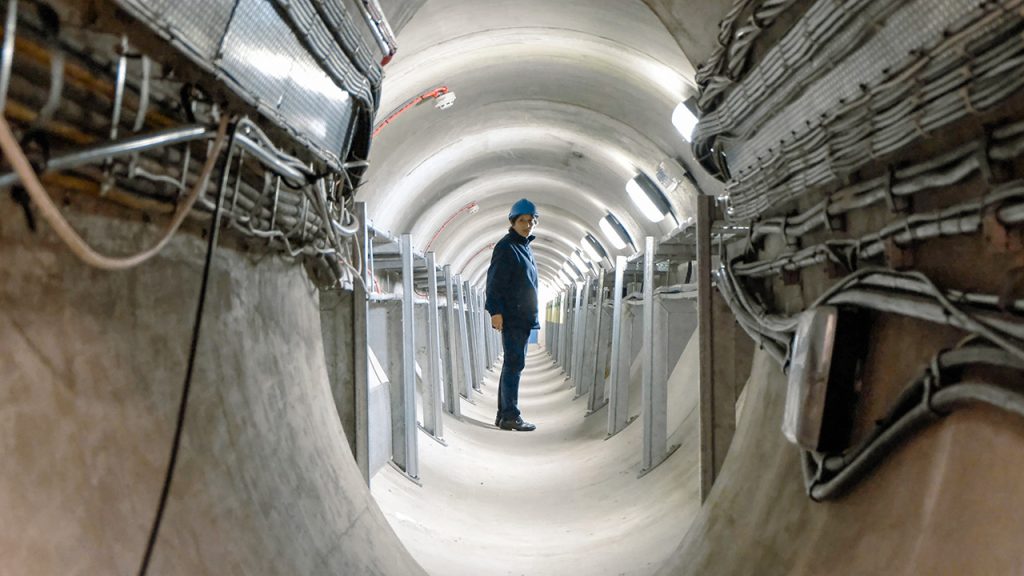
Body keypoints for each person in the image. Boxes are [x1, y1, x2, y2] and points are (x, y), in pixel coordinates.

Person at [485, 198, 540, 432]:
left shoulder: (524, 247)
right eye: (522, 221)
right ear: (512, 222)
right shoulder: (506, 246)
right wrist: (495, 311)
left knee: (513, 363)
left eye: (531, 221)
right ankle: (510, 415)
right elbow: (495, 282)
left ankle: (503, 415)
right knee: (514, 363)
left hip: (523, 317)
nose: (527, 225)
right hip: (513, 316)